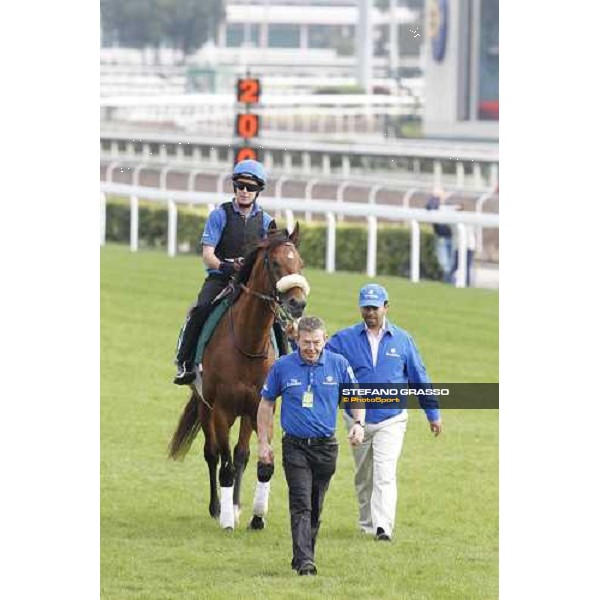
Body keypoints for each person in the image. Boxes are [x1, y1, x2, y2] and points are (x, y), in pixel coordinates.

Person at [326, 283, 442, 542]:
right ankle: (367, 523)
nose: (370, 313)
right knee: (363, 475)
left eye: (375, 308)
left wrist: (432, 413)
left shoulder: (403, 340)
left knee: (385, 472)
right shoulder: (344, 340)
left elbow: (419, 377)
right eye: (366, 308)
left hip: (392, 418)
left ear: (386, 307)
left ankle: (383, 527)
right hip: (357, 419)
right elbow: (319, 358)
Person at [257, 316, 365, 576]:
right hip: (295, 447)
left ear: (325, 339)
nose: (312, 348)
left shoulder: (338, 365)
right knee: (301, 502)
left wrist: (359, 423)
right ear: (297, 340)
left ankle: (302, 554)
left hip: (326, 448)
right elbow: (266, 403)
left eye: (317, 343)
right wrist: (263, 442)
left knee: (315, 505)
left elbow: (356, 396)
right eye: (306, 343)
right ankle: (305, 561)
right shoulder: (282, 366)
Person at [173, 159, 273, 385]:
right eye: (241, 186)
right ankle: (186, 362)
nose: (245, 191)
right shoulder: (219, 215)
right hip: (220, 278)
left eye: (251, 187)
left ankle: (284, 365)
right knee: (201, 308)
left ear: (259, 191)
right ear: (234, 187)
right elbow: (207, 254)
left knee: (275, 317)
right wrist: (225, 266)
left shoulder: (267, 222)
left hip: (251, 284)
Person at [425, 187, 455, 284]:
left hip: (452, 238)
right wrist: (437, 198)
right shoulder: (434, 205)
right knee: (445, 264)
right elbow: (429, 206)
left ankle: (451, 283)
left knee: (450, 264)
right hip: (442, 238)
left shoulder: (449, 204)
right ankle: (448, 283)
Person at [450, 204, 476, 287]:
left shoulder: (468, 219)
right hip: (459, 246)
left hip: (469, 246)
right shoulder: (454, 220)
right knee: (456, 266)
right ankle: (451, 282)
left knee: (466, 267)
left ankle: (466, 284)